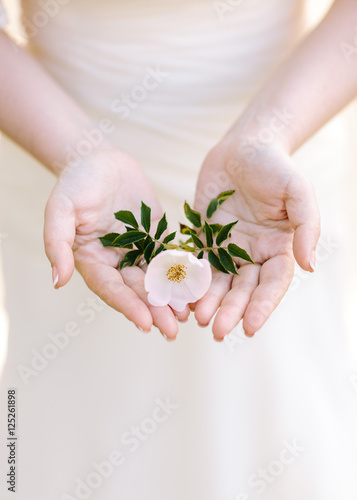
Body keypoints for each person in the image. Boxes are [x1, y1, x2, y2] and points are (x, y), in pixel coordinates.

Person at [0, 0, 357, 498]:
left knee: (273, 416)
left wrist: (270, 132)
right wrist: (78, 150)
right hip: (59, 148)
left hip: (281, 146)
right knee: (76, 416)